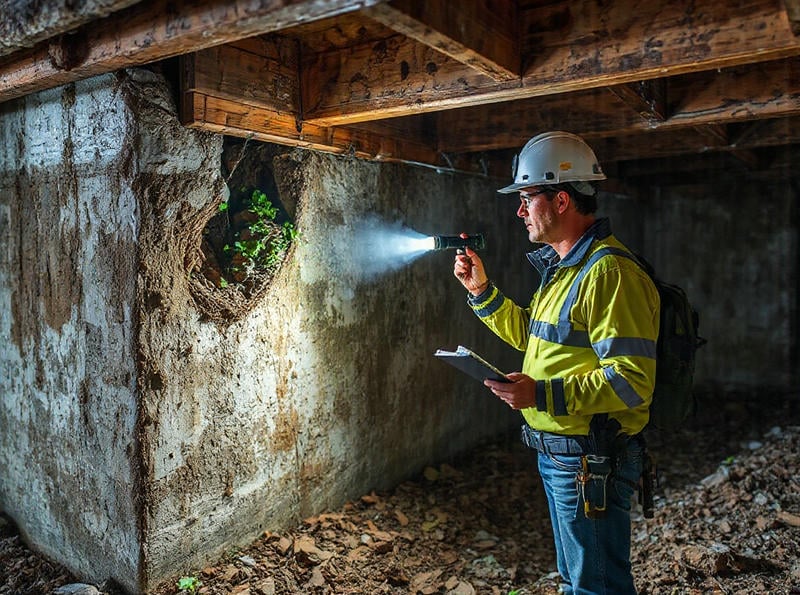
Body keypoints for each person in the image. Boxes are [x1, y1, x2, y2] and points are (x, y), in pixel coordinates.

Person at [453, 131, 660, 595]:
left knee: (596, 587)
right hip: (563, 455)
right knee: (576, 583)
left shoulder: (609, 273)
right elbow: (536, 339)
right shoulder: (565, 268)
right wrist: (481, 292)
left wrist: (540, 394)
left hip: (591, 458)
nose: (519, 211)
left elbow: (631, 382)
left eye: (527, 198)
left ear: (561, 200)